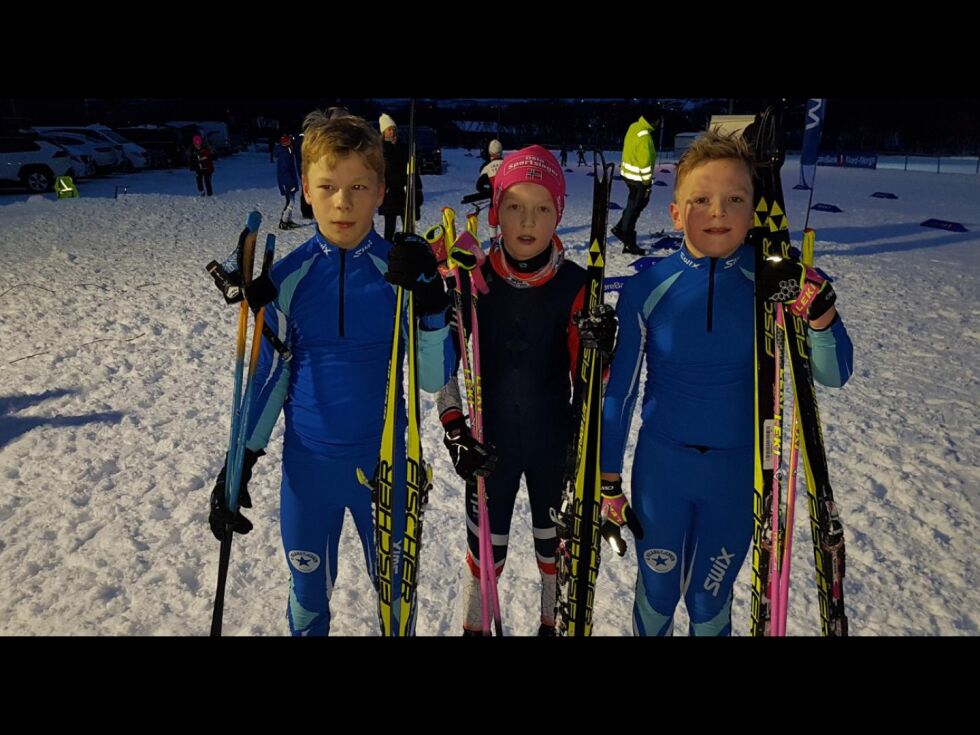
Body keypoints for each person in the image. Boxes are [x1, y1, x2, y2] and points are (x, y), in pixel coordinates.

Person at [599, 129, 854, 636]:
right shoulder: (647, 288)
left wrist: (820, 312)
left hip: (738, 477)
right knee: (657, 591)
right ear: (675, 213)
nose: (718, 212)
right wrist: (608, 479)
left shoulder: (774, 282)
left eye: (734, 199)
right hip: (661, 472)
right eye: (701, 199)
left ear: (753, 209)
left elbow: (832, 374)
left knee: (709, 596)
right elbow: (620, 392)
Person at [208, 112, 454, 636]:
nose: (342, 202)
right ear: (306, 191)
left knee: (397, 607)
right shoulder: (288, 279)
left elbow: (433, 378)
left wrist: (432, 302)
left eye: (358, 186)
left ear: (383, 191)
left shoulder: (402, 274)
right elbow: (269, 377)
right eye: (328, 187)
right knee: (307, 600)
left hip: (388, 465)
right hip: (308, 471)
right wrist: (239, 464)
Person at [433, 145, 616, 636]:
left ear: (558, 213)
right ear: (496, 211)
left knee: (552, 552)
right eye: (514, 206)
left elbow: (593, 382)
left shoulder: (578, 284)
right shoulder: (471, 277)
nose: (528, 221)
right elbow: (446, 366)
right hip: (489, 449)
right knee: (484, 554)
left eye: (542, 208)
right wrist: (455, 430)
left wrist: (602, 348)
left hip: (551, 445)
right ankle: (476, 625)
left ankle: (551, 624)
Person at [611, 115, 657, 255]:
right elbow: (644, 163)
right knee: (636, 208)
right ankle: (629, 243)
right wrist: (647, 182)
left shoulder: (634, 126)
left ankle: (620, 228)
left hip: (628, 176)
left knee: (633, 205)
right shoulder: (645, 137)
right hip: (638, 179)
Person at [378, 113, 424, 240]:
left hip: (405, 193)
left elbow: (413, 172)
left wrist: (417, 191)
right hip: (389, 194)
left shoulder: (405, 148)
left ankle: (407, 250)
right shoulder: (379, 150)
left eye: (393, 129)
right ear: (383, 132)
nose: (392, 132)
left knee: (408, 227)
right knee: (389, 228)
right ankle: (388, 252)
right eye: (389, 129)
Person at [475, 138, 504, 238]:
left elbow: (479, 186)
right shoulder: (508, 164)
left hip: (494, 205)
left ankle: (493, 248)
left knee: (493, 227)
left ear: (489, 152)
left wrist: (489, 191)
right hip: (508, 206)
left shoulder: (486, 167)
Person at [275, 133, 301, 229]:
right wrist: (290, 184)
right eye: (289, 141)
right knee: (290, 202)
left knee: (290, 201)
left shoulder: (288, 151)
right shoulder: (284, 154)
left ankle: (288, 220)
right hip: (286, 183)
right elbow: (284, 171)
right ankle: (284, 222)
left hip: (288, 182)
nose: (291, 143)